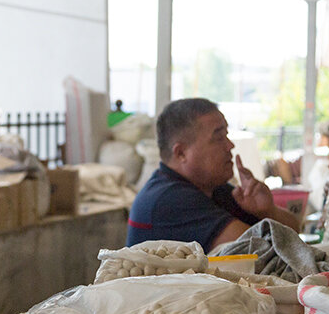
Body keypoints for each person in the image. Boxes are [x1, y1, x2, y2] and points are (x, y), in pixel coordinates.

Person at [127, 98, 302, 250]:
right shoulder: (168, 199)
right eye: (218, 138)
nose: (230, 146)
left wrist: (268, 211)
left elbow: (295, 232)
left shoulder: (212, 188)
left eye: (227, 135)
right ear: (181, 153)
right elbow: (262, 250)